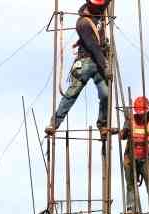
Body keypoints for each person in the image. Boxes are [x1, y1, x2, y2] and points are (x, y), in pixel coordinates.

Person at [45, 0, 112, 137]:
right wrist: (105, 66)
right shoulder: (82, 23)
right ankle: (55, 123)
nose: (102, 9)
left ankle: (103, 125)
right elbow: (93, 46)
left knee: (106, 94)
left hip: (99, 62)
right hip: (87, 62)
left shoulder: (100, 14)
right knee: (72, 94)